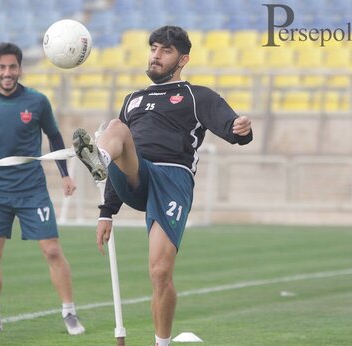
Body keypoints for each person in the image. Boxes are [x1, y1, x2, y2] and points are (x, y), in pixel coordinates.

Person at [73, 26, 253, 346]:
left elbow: (233, 129)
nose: (156, 55)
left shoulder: (198, 96)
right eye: (154, 48)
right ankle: (97, 157)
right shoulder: (133, 99)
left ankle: (162, 343)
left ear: (182, 59)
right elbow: (122, 145)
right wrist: (106, 212)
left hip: (172, 179)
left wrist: (240, 129)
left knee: (160, 273)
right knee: (116, 128)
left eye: (165, 51)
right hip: (134, 172)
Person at [0, 42, 84, 335]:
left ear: (20, 68)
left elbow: (55, 138)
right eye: (1, 67)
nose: (7, 73)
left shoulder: (38, 101)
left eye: (12, 67)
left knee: (52, 250)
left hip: (32, 190)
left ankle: (69, 313)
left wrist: (65, 175)